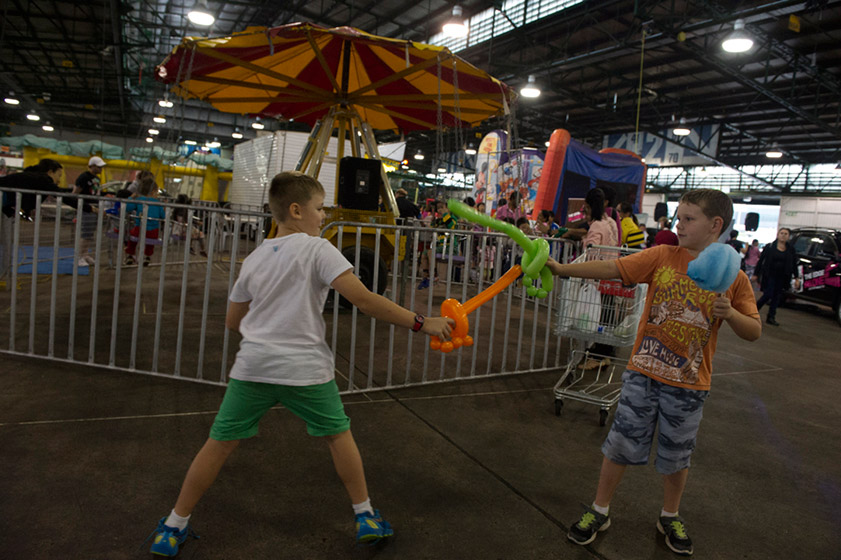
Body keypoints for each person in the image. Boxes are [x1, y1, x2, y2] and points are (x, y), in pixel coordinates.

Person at [146, 171, 452, 557]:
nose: (324, 216)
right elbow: (364, 299)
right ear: (296, 210)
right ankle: (365, 516)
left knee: (218, 444)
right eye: (319, 208)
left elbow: (233, 321)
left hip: (254, 368)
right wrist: (423, 323)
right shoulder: (318, 250)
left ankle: (173, 526)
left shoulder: (254, 259)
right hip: (305, 371)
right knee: (338, 436)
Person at [547, 188, 760, 557]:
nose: (679, 224)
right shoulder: (662, 256)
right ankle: (600, 509)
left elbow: (754, 330)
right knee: (620, 445)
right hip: (642, 374)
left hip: (690, 385)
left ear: (715, 225)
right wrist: (564, 270)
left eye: (688, 219)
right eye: (679, 217)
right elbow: (615, 268)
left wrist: (730, 314)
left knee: (677, 455)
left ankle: (669, 515)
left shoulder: (733, 277)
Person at [754, 227, 799, 326]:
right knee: (768, 294)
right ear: (778, 235)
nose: (783, 235)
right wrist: (756, 274)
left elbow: (794, 264)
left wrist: (796, 277)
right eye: (781, 233)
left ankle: (771, 317)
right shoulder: (770, 247)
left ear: (789, 236)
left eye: (786, 234)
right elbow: (761, 261)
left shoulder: (791, 249)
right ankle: (753, 311)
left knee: (776, 297)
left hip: (783, 276)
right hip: (770, 275)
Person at [124, 177, 166, 266]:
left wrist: (131, 198)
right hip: (153, 232)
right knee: (150, 242)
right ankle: (147, 256)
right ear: (154, 191)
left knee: (132, 236)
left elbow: (128, 208)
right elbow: (163, 216)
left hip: (139, 229)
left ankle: (130, 254)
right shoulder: (158, 203)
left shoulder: (139, 200)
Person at [74, 156, 106, 267]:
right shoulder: (84, 177)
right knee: (85, 232)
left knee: (89, 232)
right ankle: (79, 256)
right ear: (92, 166)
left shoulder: (97, 179)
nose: (101, 169)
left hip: (94, 208)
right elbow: (76, 192)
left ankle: (85, 254)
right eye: (98, 166)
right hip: (86, 207)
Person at [418, 199, 457, 289]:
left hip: (449, 246)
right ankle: (426, 278)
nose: (440, 210)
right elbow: (432, 227)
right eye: (438, 208)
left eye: (442, 207)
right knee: (424, 254)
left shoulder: (452, 218)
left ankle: (434, 275)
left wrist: (445, 214)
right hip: (440, 246)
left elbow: (451, 226)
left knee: (430, 252)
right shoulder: (439, 220)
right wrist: (433, 216)